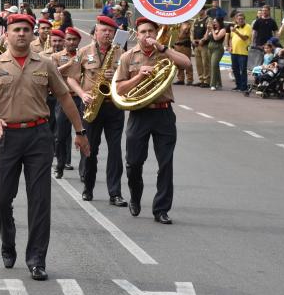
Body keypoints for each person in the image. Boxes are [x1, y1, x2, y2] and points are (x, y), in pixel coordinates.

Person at [0, 13, 88, 279]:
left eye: (26, 29)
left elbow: (65, 98)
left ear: (33, 34)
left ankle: (36, 259)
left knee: (39, 201)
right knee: (0, 199)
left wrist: (80, 131)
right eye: (16, 30)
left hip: (38, 136)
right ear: (7, 34)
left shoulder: (45, 64)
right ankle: (7, 239)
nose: (21, 34)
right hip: (6, 136)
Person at [114, 17, 193, 225]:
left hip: (163, 113)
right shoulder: (127, 57)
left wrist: (163, 47)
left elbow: (187, 64)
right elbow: (119, 89)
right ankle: (135, 196)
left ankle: (161, 209)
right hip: (139, 114)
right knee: (134, 163)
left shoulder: (164, 52)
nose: (147, 35)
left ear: (155, 33)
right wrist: (139, 76)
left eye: (150, 31)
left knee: (166, 164)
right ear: (136, 34)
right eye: (143, 32)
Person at [65, 16, 127, 206]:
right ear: (95, 33)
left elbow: (129, 78)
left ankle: (115, 193)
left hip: (113, 106)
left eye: (111, 31)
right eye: (104, 30)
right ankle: (88, 187)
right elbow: (71, 79)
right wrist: (82, 94)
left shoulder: (121, 53)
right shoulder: (83, 52)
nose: (108, 33)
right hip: (91, 105)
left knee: (115, 150)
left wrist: (115, 76)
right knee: (89, 148)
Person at [51, 27, 81, 177]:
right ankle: (60, 166)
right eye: (68, 39)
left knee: (83, 133)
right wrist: (69, 64)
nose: (71, 42)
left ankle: (83, 171)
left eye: (74, 39)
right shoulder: (56, 56)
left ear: (78, 41)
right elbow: (53, 73)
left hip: (80, 98)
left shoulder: (85, 55)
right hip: (64, 98)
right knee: (60, 135)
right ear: (64, 41)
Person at [229, 12, 252, 91]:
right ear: (236, 20)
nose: (241, 20)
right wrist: (230, 46)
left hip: (243, 52)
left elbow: (245, 38)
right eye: (239, 19)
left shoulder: (248, 27)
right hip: (234, 52)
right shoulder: (235, 27)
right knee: (235, 69)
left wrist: (237, 32)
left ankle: (243, 87)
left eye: (242, 19)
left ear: (244, 19)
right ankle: (238, 85)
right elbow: (231, 38)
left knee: (243, 70)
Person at [205, 17, 227, 90]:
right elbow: (205, 38)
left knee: (214, 65)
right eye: (213, 22)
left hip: (218, 49)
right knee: (215, 66)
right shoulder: (212, 29)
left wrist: (212, 30)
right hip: (210, 48)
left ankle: (213, 84)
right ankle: (219, 83)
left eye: (215, 22)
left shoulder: (223, 30)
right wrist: (207, 31)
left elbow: (216, 38)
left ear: (219, 22)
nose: (214, 23)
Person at [191, 8, 210, 87]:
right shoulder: (195, 20)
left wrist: (203, 40)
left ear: (203, 10)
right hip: (196, 45)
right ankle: (201, 79)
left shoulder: (208, 19)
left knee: (205, 63)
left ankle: (207, 81)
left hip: (204, 45)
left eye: (200, 10)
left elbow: (208, 31)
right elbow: (191, 31)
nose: (198, 12)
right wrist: (192, 40)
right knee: (198, 64)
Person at [172, 20, 194, 85]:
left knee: (187, 63)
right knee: (178, 63)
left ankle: (190, 79)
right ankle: (180, 79)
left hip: (185, 46)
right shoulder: (178, 23)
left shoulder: (189, 24)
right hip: (176, 45)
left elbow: (190, 36)